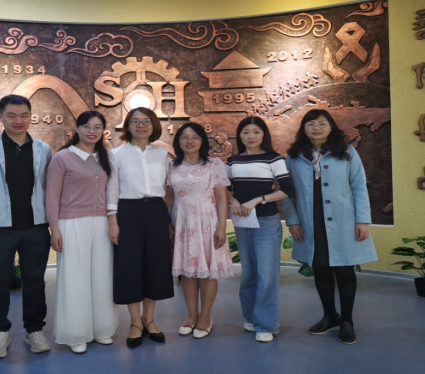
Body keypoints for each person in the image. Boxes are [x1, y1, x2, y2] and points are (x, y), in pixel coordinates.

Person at [0, 95, 52, 359]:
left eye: (24, 115)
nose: (18, 120)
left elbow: (48, 186)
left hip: (36, 226)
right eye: (12, 115)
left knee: (35, 281)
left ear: (31, 117)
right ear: (0, 117)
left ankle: (34, 330)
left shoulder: (43, 149)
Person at [284, 109, 377, 345]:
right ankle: (330, 316)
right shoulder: (294, 157)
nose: (316, 128)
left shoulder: (347, 152)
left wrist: (362, 220)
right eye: (311, 124)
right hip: (310, 220)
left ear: (331, 126)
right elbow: (288, 192)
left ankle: (347, 321)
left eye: (322, 123)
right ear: (303, 128)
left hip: (343, 220)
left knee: (344, 270)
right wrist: (293, 220)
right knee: (320, 269)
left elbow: (359, 186)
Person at [47, 111, 119, 354]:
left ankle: (101, 329)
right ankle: (76, 333)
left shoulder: (106, 157)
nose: (92, 131)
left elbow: (111, 192)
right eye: (87, 126)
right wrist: (54, 228)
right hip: (72, 224)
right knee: (75, 278)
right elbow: (52, 196)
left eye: (97, 127)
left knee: (102, 276)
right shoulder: (62, 158)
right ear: (76, 129)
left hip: (101, 224)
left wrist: (112, 220)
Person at [107, 107, 174, 349]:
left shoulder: (162, 153)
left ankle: (150, 319)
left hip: (156, 210)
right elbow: (112, 188)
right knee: (130, 267)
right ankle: (135, 322)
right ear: (127, 126)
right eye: (135, 121)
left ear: (154, 125)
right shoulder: (116, 154)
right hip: (128, 211)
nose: (141, 125)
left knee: (155, 266)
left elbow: (168, 187)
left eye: (146, 121)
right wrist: (113, 220)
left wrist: (167, 217)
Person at [226, 117, 294, 343]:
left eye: (256, 131)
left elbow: (287, 189)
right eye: (246, 131)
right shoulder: (233, 161)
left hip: (266, 221)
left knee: (266, 274)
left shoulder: (274, 158)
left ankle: (266, 324)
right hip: (242, 222)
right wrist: (233, 199)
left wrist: (258, 200)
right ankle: (251, 317)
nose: (251, 136)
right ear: (240, 135)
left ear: (264, 134)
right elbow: (224, 187)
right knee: (248, 273)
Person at [165, 123, 232, 339]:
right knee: (187, 271)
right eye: (184, 137)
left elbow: (221, 198)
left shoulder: (214, 164)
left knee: (207, 270)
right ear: (178, 141)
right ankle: (191, 316)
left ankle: (205, 317)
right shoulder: (171, 166)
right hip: (181, 221)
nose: (190, 141)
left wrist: (222, 226)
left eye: (195, 137)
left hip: (207, 221)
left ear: (202, 141)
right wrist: (168, 224)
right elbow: (168, 198)